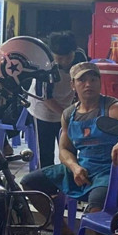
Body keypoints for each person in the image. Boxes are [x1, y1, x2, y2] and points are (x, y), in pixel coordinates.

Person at [21, 61, 118, 235]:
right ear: (73, 85)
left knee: (97, 205)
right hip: (83, 168)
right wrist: (74, 167)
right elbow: (64, 149)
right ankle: (64, 234)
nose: (88, 84)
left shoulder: (114, 107)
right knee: (30, 183)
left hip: (113, 171)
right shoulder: (69, 114)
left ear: (99, 82)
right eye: (82, 80)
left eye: (93, 79)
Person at [26, 31, 85, 168]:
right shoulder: (44, 65)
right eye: (59, 58)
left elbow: (82, 83)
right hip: (43, 109)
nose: (65, 62)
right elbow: (46, 98)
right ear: (52, 55)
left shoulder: (80, 58)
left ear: (74, 52)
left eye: (68, 57)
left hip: (66, 105)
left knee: (69, 150)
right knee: (45, 152)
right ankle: (46, 179)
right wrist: (67, 115)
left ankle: (68, 177)